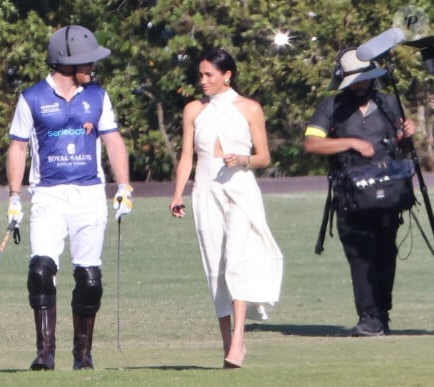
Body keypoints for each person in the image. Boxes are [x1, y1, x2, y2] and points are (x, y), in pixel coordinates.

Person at [6, 25, 132, 371]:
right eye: (87, 62)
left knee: (89, 278)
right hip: (47, 194)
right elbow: (17, 146)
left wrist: (124, 186)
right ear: (65, 62)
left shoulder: (98, 96)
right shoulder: (31, 98)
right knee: (41, 271)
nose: (93, 68)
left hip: (90, 193)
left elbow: (113, 141)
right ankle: (45, 354)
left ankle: (83, 355)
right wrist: (15, 196)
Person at [169, 48, 283, 368]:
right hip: (205, 190)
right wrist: (178, 193)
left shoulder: (249, 108)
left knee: (236, 260)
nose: (203, 80)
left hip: (240, 189)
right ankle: (226, 343)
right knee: (215, 267)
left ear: (227, 75)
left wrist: (242, 159)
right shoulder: (194, 109)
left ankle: (239, 340)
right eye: (201, 75)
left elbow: (264, 156)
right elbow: (186, 157)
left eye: (209, 75)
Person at [304, 47, 416, 336]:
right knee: (360, 255)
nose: (361, 85)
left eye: (365, 79)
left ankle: (381, 314)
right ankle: (369, 317)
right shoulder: (332, 106)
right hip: (351, 197)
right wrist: (350, 143)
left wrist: (406, 136)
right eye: (356, 80)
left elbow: (404, 148)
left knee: (386, 254)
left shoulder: (389, 103)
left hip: (389, 193)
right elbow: (312, 144)